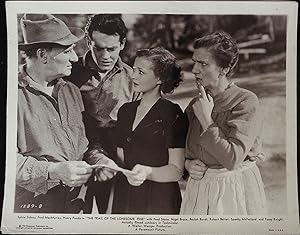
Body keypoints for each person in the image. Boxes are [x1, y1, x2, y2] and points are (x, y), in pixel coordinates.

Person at [16, 14, 117, 213]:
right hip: (36, 206)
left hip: (79, 202)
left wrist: (99, 159)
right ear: (42, 55)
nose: (74, 57)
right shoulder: (12, 95)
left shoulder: (71, 90)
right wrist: (54, 171)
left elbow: (85, 142)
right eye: (68, 51)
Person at [180, 31, 267, 215]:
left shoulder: (245, 101)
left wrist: (207, 121)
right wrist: (188, 165)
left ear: (224, 69)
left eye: (203, 63)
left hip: (234, 191)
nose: (194, 69)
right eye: (194, 61)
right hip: (199, 192)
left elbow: (232, 158)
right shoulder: (195, 105)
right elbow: (184, 150)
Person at [66, 14, 140, 214]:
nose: (105, 56)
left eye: (111, 49)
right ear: (89, 41)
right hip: (79, 159)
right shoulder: (69, 75)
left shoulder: (133, 79)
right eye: (98, 48)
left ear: (122, 44)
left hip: (119, 161)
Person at [112, 47, 189, 214]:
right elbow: (121, 159)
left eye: (141, 72)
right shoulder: (125, 111)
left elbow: (176, 170)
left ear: (159, 78)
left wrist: (147, 172)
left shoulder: (172, 113)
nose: (133, 76)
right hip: (126, 196)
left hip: (159, 200)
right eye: (133, 69)